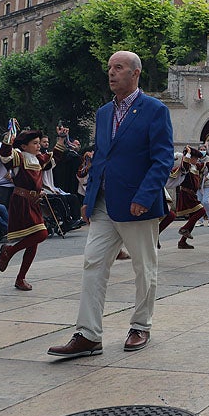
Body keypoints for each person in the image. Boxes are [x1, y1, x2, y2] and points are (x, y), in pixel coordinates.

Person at [48, 50, 174, 358]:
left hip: (137, 204)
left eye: (118, 67)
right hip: (104, 202)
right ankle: (88, 334)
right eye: (109, 68)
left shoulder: (154, 109)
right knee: (93, 262)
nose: (111, 72)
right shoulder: (104, 113)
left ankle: (141, 325)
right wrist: (88, 199)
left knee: (143, 266)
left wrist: (145, 197)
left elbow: (162, 159)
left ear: (135, 73)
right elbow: (101, 158)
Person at [0, 126, 69, 290]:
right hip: (21, 202)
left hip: (33, 202)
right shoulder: (19, 157)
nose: (38, 146)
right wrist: (10, 135)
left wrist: (61, 139)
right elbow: (4, 155)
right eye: (35, 143)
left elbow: (54, 158)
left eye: (38, 143)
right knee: (41, 234)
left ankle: (20, 278)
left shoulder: (39, 159)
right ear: (24, 146)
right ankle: (10, 250)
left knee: (34, 241)